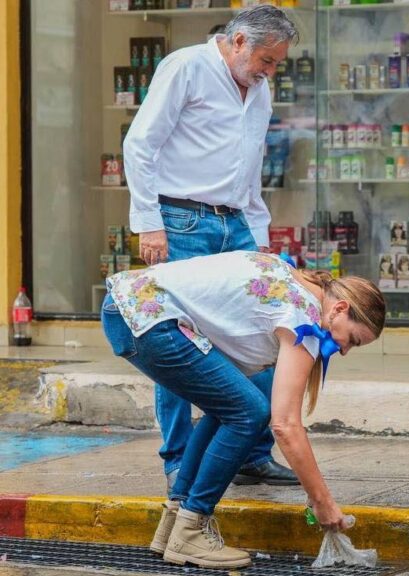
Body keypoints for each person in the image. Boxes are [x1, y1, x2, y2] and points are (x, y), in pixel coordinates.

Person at [102, 251, 385, 568]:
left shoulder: (297, 283)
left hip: (131, 307)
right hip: (147, 317)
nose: (344, 350)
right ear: (340, 308)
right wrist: (322, 501)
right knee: (249, 412)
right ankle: (191, 529)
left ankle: (175, 526)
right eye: (353, 340)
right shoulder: (302, 316)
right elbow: (285, 425)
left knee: (232, 407)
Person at [123, 6, 300, 490]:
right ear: (238, 41)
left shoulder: (259, 89)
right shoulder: (186, 67)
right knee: (173, 341)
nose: (270, 71)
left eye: (277, 63)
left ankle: (250, 452)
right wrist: (149, 223)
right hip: (179, 219)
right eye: (266, 59)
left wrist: (260, 239)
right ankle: (179, 460)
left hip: (235, 222)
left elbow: (251, 167)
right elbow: (140, 144)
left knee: (263, 336)